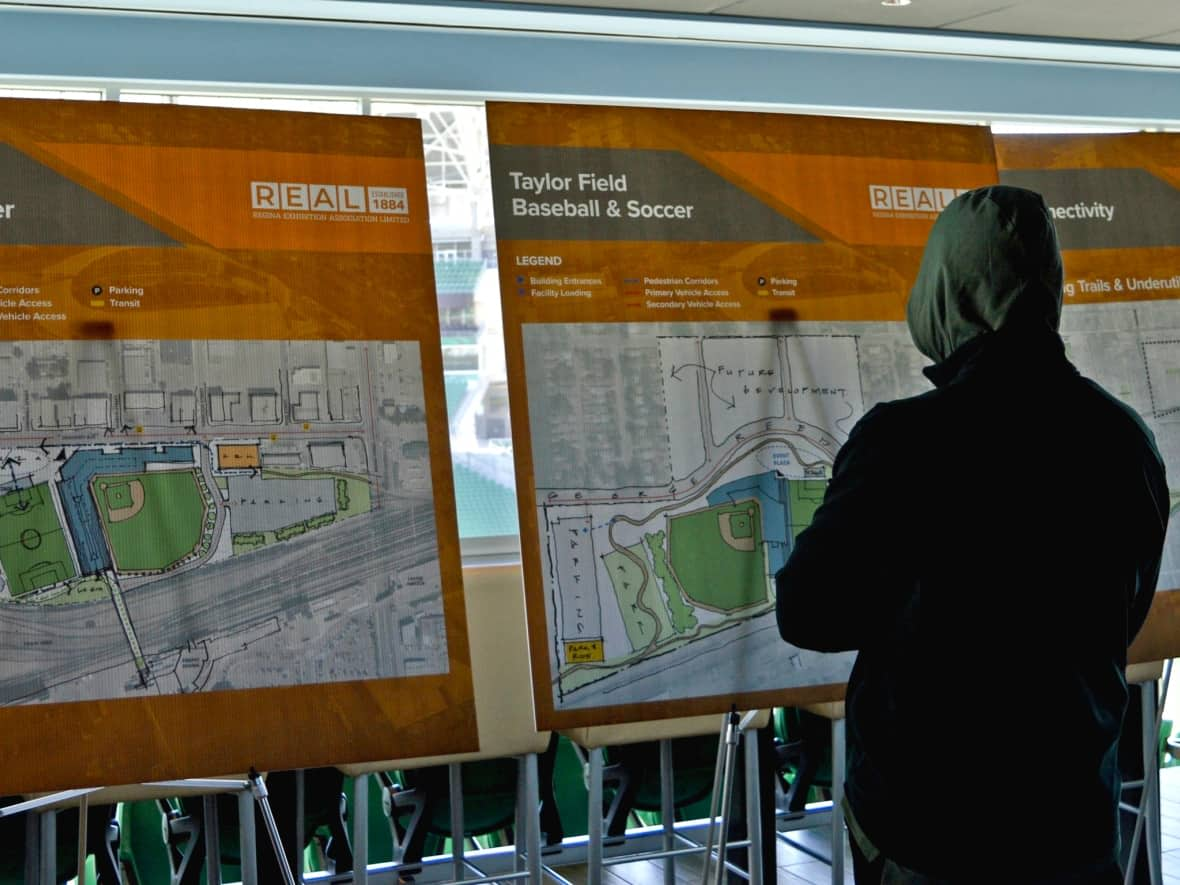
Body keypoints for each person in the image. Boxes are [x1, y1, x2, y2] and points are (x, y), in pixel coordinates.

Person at [775, 185, 1170, 883]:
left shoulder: (901, 442)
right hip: (1072, 833)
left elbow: (806, 609)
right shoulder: (1124, 442)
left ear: (946, 291)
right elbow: (1122, 614)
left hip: (931, 838)